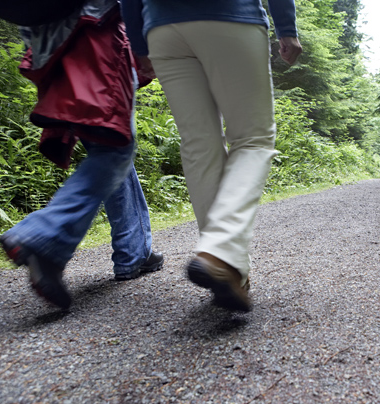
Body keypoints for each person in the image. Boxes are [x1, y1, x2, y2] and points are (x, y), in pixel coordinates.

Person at [120, 0, 302, 312]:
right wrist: (286, 27)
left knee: (198, 145)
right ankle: (219, 251)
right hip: (231, 17)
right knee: (253, 139)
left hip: (162, 28)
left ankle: (229, 271)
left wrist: (138, 43)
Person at [0, 0, 163, 310]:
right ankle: (43, 235)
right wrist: (144, 43)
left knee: (108, 144)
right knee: (114, 146)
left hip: (50, 41)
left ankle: (134, 251)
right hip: (96, 30)